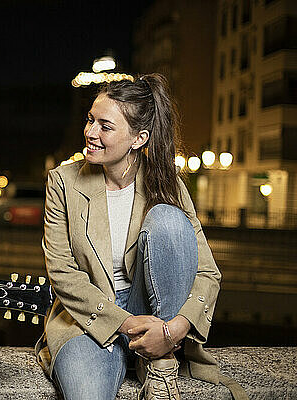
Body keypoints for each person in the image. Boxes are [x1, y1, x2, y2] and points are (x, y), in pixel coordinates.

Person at [34, 74, 224, 400]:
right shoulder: (63, 182)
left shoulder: (167, 183)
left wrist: (171, 330)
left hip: (156, 314)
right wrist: (125, 323)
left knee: (168, 218)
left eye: (105, 126)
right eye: (90, 120)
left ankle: (160, 363)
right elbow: (63, 273)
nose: (90, 132)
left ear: (138, 138)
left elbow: (207, 272)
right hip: (90, 319)